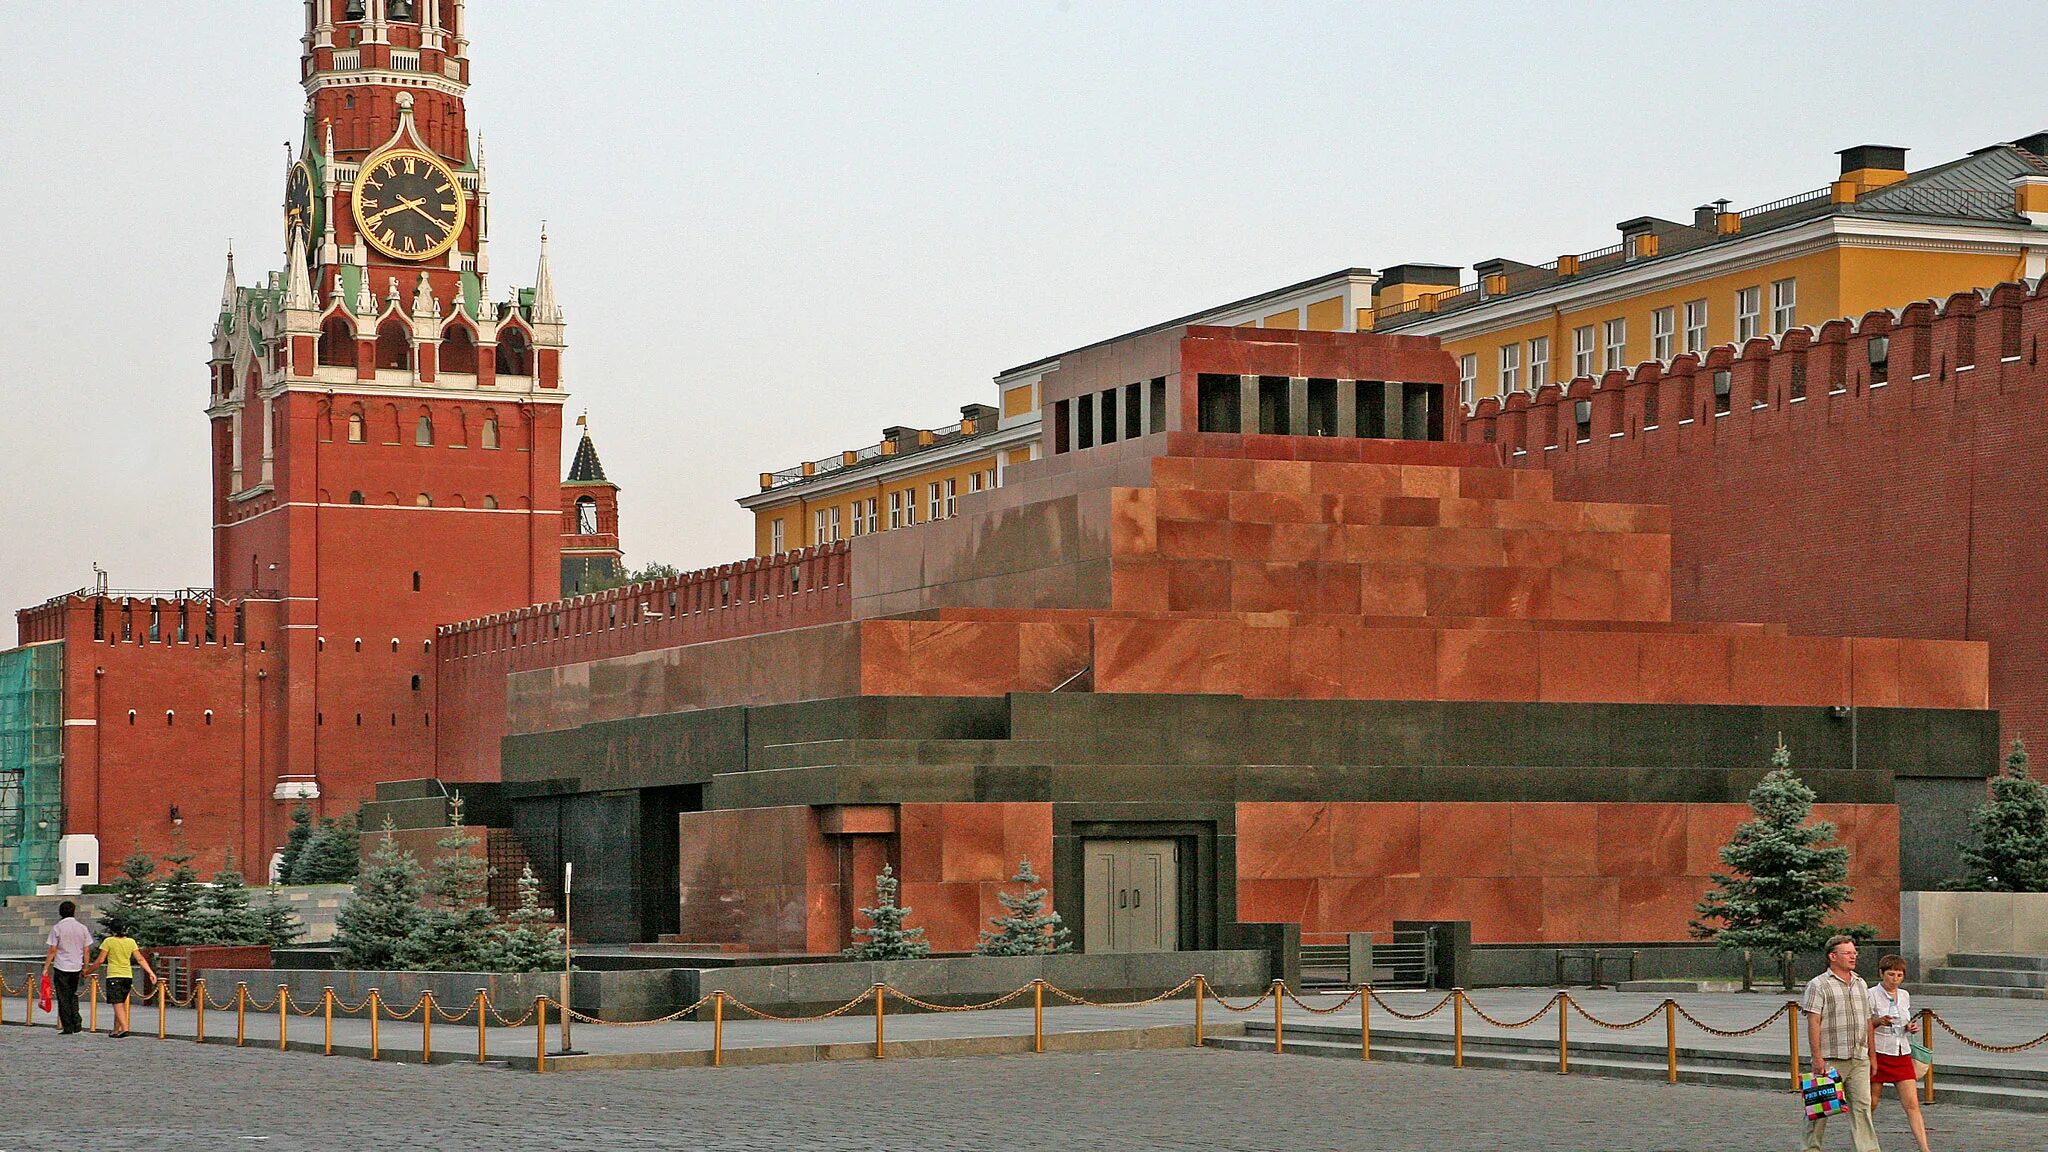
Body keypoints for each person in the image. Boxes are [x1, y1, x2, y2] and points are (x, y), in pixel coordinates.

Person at [1802, 934, 1880, 1152]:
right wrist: (1817, 1057)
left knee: (1862, 1109)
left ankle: (1868, 1149)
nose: (1853, 956)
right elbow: (1814, 1021)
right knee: (1820, 1110)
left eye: (1854, 952)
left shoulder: (1861, 983)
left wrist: (1872, 1055)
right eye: (1848, 953)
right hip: (1830, 1059)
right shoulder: (1818, 985)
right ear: (1833, 956)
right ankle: (1811, 1148)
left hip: (1858, 1057)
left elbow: (1867, 1021)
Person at [1868, 954, 1931, 1152]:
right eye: (1891, 974)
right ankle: (1865, 1141)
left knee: (1912, 1104)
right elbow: (1864, 1024)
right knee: (1872, 1102)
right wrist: (1879, 1021)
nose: (1895, 979)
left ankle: (1924, 1148)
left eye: (1899, 975)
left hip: (1902, 1051)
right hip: (1879, 1051)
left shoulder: (1904, 995)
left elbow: (1905, 1019)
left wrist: (1910, 1027)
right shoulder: (1870, 994)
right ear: (1881, 974)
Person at [85, 917, 157, 1039]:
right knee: (120, 1003)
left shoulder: (109, 941)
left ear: (111, 929)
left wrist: (88, 971)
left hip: (114, 975)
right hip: (127, 976)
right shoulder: (131, 942)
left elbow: (100, 960)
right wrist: (151, 972)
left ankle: (125, 1028)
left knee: (117, 1003)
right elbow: (140, 958)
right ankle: (115, 1030)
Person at [39, 900, 94, 1035]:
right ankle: (77, 1022)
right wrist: (85, 967)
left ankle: (67, 1026)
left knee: (63, 997)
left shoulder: (57, 928)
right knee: (73, 995)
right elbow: (87, 950)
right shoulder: (82, 928)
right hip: (76, 966)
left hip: (61, 966)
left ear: (60, 912)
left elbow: (53, 949)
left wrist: (46, 967)